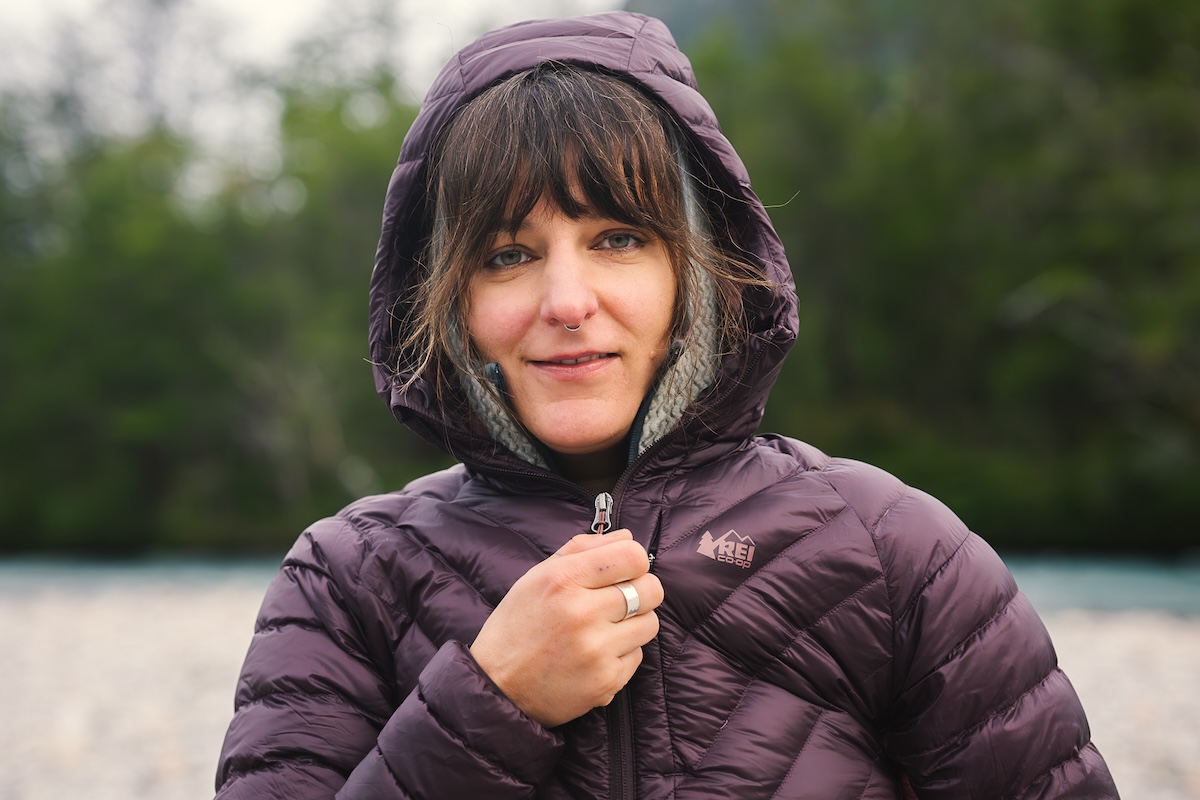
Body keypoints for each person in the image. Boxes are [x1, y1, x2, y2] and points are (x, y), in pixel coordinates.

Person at [215, 11, 1119, 800]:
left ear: (698, 271)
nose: (566, 302)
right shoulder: (344, 581)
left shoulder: (894, 550)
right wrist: (492, 701)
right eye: (506, 255)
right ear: (450, 302)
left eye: (618, 238)